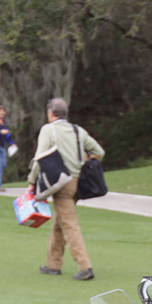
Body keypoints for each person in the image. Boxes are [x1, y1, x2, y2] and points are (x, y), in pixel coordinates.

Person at [28, 97, 104, 281]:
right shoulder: (78, 130)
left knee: (69, 223)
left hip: (60, 183)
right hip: (78, 182)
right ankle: (53, 264)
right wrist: (84, 162)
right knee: (60, 222)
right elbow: (99, 152)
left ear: (50, 113)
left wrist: (31, 181)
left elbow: (40, 158)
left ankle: (85, 266)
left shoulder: (49, 130)